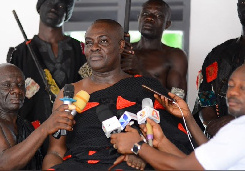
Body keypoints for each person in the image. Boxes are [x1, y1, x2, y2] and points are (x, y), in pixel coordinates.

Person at [42, 19, 194, 170]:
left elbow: (172, 140)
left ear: (121, 46)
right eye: (89, 42)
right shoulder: (70, 92)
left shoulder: (147, 87)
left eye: (103, 41)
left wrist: (143, 153)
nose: (94, 47)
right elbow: (55, 151)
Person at [111, 64, 245, 170]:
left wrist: (137, 146)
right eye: (231, 85)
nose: (233, 92)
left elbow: (185, 167)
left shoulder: (239, 131)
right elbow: (210, 158)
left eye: (242, 88)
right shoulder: (236, 129)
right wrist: (164, 140)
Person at [0, 63, 75, 170]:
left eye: (21, 85)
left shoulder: (26, 126)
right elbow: (3, 164)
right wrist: (45, 127)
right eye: (7, 85)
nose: (16, 90)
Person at [7, 0, 86, 125]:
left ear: (67, 12)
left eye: (60, 5)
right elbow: (11, 99)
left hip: (75, 129)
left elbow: (92, 86)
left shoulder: (82, 50)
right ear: (39, 7)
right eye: (49, 2)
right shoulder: (20, 53)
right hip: (32, 133)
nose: (54, 8)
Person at [192, 0, 245, 138]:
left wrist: (234, 123)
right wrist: (212, 123)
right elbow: (205, 95)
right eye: (242, 1)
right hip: (217, 140)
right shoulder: (218, 54)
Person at [121, 0, 188, 99]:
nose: (149, 18)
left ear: (167, 24)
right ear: (138, 18)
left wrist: (141, 71)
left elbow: (178, 100)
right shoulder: (123, 50)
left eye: (158, 15)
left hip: (155, 113)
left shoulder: (175, 56)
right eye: (145, 13)